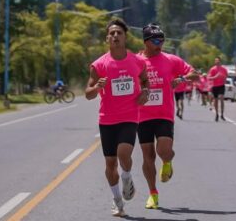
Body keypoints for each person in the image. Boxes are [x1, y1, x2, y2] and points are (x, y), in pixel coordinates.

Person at [85, 18, 150, 217]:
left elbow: (145, 81)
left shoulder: (137, 61)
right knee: (110, 164)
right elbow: (88, 93)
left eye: (118, 33)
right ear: (107, 39)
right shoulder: (99, 65)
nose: (115, 36)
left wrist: (145, 92)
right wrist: (97, 87)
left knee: (124, 154)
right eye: (111, 34)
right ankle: (117, 201)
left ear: (125, 37)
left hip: (130, 116)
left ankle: (127, 177)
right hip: (107, 119)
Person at [136, 23, 201, 209]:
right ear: (146, 41)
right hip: (142, 116)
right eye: (156, 40)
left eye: (162, 40)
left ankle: (167, 161)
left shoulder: (171, 59)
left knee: (163, 151)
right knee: (147, 156)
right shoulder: (136, 61)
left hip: (164, 114)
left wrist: (180, 79)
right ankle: (153, 194)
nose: (160, 44)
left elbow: (194, 74)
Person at [206, 57, 228, 121]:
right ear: (215, 62)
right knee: (216, 100)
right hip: (215, 86)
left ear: (220, 61)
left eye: (218, 60)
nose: (217, 62)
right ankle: (217, 114)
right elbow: (209, 78)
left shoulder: (224, 69)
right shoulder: (212, 69)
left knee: (221, 98)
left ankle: (222, 114)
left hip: (221, 85)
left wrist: (223, 77)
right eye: (216, 60)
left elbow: (226, 76)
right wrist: (215, 77)